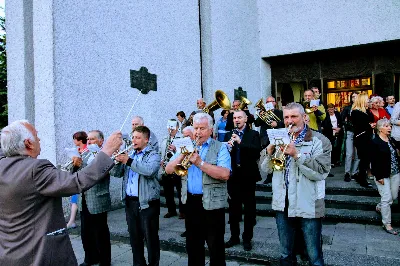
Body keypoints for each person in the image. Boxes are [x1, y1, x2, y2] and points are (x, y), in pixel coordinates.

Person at [0, 120, 122, 266]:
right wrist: (107, 151)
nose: (39, 139)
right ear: (28, 143)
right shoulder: (35, 168)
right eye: (36, 135)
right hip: (40, 255)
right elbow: (77, 181)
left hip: (10, 253)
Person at [261, 103, 330, 266]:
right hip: (283, 202)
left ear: (304, 118)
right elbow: (265, 169)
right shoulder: (279, 138)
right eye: (286, 117)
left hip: (309, 203)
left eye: (294, 116)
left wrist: (297, 155)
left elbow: (321, 172)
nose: (289, 121)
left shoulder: (319, 140)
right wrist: (268, 152)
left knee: (314, 256)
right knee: (285, 254)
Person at [165, 113, 231, 266]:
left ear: (210, 130)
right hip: (191, 202)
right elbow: (168, 170)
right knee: (193, 246)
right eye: (196, 128)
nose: (198, 132)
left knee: (216, 248)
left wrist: (200, 163)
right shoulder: (186, 145)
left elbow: (225, 174)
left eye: (202, 128)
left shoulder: (220, 147)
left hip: (213, 204)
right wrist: (181, 156)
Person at [112, 126, 161, 266]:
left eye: (138, 137)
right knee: (135, 239)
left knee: (151, 239)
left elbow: (149, 171)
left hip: (147, 202)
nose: (134, 140)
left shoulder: (153, 154)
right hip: (130, 202)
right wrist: (116, 163)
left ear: (146, 139)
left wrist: (128, 160)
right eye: (133, 137)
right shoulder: (130, 154)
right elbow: (117, 174)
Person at [224, 110, 261, 251]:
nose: (237, 120)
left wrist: (241, 142)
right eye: (234, 118)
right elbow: (225, 155)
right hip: (234, 176)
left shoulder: (253, 134)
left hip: (248, 175)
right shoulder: (229, 134)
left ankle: (247, 238)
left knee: (249, 209)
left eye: (239, 117)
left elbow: (256, 151)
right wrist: (227, 148)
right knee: (233, 209)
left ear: (246, 119)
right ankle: (234, 237)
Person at [78, 130, 112, 266]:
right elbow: (77, 175)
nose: (89, 141)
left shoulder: (104, 155)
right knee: (85, 232)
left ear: (101, 141)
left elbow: (109, 172)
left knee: (100, 233)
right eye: (88, 139)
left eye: (92, 139)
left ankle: (105, 261)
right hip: (84, 198)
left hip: (98, 198)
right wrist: (76, 164)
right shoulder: (84, 155)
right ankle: (90, 258)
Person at [370, 118, 400, 235]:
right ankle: (387, 223)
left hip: (395, 173)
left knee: (393, 196)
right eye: (387, 126)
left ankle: (380, 206)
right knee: (387, 198)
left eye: (390, 126)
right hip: (382, 174)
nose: (389, 128)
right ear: (380, 128)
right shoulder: (375, 142)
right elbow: (373, 161)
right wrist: (378, 176)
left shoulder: (391, 140)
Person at [159, 119, 183, 218]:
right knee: (168, 191)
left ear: (177, 128)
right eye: (169, 127)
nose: (170, 129)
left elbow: (184, 151)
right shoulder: (165, 138)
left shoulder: (181, 138)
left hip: (177, 167)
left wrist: (175, 149)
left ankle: (182, 211)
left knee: (180, 190)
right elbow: (161, 151)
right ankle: (171, 210)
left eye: (173, 127)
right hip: (165, 167)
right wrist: (161, 160)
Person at [351, 93, 374, 188]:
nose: (369, 101)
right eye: (367, 100)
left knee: (366, 159)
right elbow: (359, 125)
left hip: (367, 137)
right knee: (364, 158)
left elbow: (371, 119)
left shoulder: (366, 111)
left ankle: (360, 176)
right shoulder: (355, 112)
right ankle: (362, 178)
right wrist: (369, 125)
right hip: (361, 138)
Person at [66, 131, 88, 229]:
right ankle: (72, 221)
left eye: (75, 139)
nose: (74, 141)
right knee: (74, 199)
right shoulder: (77, 150)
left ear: (79, 139)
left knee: (77, 199)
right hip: (77, 176)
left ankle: (72, 221)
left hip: (84, 178)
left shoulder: (86, 150)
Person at [341, 92, 360, 182]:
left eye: (356, 97)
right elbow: (341, 119)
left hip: (359, 133)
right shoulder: (348, 108)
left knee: (357, 154)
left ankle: (354, 172)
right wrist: (347, 124)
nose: (354, 99)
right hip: (350, 132)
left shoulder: (361, 108)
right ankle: (347, 173)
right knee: (349, 153)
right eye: (353, 97)